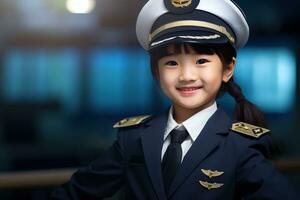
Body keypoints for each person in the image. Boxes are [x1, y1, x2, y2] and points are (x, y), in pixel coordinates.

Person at [51, 0, 299, 199]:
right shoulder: (134, 137)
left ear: (227, 69)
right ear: (156, 72)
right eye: (171, 63)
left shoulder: (240, 145)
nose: (186, 76)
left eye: (201, 61)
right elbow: (75, 192)